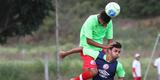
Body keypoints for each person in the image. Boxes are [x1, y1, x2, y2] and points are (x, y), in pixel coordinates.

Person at [60, 10, 114, 80]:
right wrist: (105, 46)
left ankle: (65, 54)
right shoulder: (91, 20)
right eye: (104, 24)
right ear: (100, 19)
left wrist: (109, 53)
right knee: (93, 71)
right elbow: (89, 41)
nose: (105, 26)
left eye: (106, 24)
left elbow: (110, 39)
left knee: (107, 70)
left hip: (99, 47)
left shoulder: (109, 22)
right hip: (87, 44)